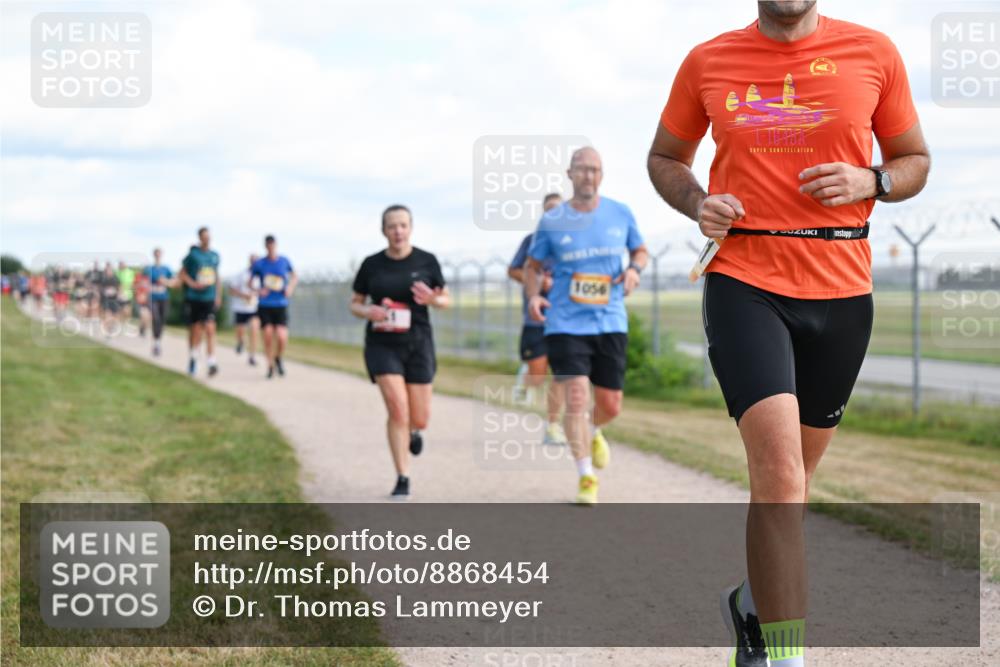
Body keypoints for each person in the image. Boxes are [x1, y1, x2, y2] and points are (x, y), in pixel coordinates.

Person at [647, 3, 929, 665]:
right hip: (746, 277)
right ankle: (786, 657)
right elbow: (665, 156)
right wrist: (696, 202)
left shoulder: (874, 52)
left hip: (842, 288)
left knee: (795, 486)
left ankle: (751, 605)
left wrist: (875, 179)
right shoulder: (708, 60)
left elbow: (914, 159)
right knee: (777, 476)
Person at [523, 147, 648, 506]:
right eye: (582, 170)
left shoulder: (620, 213)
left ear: (602, 174)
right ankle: (586, 476)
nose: (588, 176)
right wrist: (534, 296)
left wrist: (634, 271)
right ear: (570, 174)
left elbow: (640, 251)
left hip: (610, 319)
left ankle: (595, 430)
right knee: (576, 397)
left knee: (610, 405)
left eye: (594, 170)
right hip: (564, 322)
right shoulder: (553, 220)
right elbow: (532, 266)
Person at [350, 205, 449, 499]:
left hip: (418, 342)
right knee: (397, 408)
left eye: (403, 225)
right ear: (383, 230)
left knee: (419, 418)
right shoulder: (371, 265)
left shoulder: (426, 261)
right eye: (392, 226)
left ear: (411, 228)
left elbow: (445, 299)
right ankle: (402, 477)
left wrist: (433, 299)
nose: (398, 231)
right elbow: (354, 303)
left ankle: (415, 432)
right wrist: (368, 310)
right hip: (383, 344)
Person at [508, 192, 567, 445]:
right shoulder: (531, 241)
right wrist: (539, 281)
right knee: (538, 376)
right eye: (549, 210)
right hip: (536, 319)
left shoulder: (572, 242)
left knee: (562, 374)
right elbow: (513, 270)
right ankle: (526, 376)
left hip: (565, 320)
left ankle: (552, 426)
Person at [251, 237, 297, 379]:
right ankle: (269, 365)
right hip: (265, 305)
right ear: (265, 246)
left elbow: (294, 276)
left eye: (273, 245)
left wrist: (289, 287)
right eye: (268, 245)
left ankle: (278, 358)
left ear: (276, 245)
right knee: (268, 335)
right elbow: (250, 282)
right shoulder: (260, 264)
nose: (271, 247)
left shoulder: (284, 261)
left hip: (280, 304)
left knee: (282, 336)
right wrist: (259, 291)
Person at [179, 227, 222, 377]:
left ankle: (211, 361)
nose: (207, 239)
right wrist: (193, 284)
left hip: (209, 297)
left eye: (209, 237)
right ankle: (194, 357)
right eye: (204, 237)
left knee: (210, 328)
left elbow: (217, 277)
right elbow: (182, 274)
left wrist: (218, 295)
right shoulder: (193, 255)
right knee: (196, 330)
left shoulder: (215, 256)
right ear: (200, 238)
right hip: (194, 298)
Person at [229, 254, 261, 366]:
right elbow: (231, 290)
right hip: (241, 308)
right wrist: (243, 295)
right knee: (240, 331)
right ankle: (240, 342)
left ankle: (252, 356)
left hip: (254, 308)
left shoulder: (261, 276)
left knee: (254, 330)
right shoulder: (241, 275)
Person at [144, 248, 175, 357]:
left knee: (162, 320)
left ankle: (158, 341)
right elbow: (143, 282)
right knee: (156, 318)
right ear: (153, 255)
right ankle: (156, 343)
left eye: (159, 254)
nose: (157, 256)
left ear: (161, 255)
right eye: (156, 254)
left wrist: (166, 282)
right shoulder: (149, 269)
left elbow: (173, 282)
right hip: (153, 298)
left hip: (164, 298)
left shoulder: (166, 269)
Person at [115, 261, 136, 326]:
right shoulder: (117, 273)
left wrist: (130, 288)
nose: (121, 266)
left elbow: (134, 283)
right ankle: (120, 324)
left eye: (122, 264)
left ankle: (127, 322)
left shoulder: (130, 272)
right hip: (119, 295)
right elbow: (115, 283)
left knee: (127, 310)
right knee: (119, 310)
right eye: (120, 264)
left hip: (128, 295)